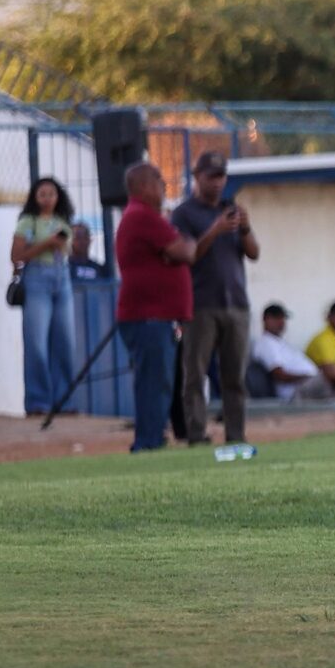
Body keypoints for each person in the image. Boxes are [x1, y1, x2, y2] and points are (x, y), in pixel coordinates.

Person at [171, 152, 259, 449]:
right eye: (212, 176)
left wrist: (244, 227)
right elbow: (190, 254)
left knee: (235, 377)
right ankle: (196, 434)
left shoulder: (230, 209)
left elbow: (254, 253)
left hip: (236, 303)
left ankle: (236, 435)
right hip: (201, 304)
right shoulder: (184, 214)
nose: (218, 182)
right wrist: (215, 230)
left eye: (221, 176)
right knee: (195, 374)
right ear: (197, 177)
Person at [113, 160, 195, 454]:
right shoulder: (143, 216)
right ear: (145, 186)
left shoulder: (144, 216)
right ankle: (148, 441)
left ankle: (153, 438)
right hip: (149, 316)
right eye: (160, 180)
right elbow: (185, 251)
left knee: (159, 382)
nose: (164, 186)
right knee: (153, 383)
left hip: (155, 316)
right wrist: (185, 242)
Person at [11, 177, 84, 415]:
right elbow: (17, 256)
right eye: (42, 194)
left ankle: (64, 400)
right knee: (37, 344)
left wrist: (61, 244)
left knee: (65, 342)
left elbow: (66, 251)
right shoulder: (27, 222)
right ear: (34, 197)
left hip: (62, 278)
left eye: (51, 194)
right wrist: (47, 244)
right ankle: (38, 401)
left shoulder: (62, 221)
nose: (47, 198)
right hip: (37, 280)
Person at [248, 302, 335, 401]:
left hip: (309, 383)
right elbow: (279, 374)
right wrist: (308, 377)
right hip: (294, 391)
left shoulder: (280, 342)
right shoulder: (265, 343)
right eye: (277, 318)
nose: (281, 322)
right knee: (331, 371)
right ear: (265, 319)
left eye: (283, 318)